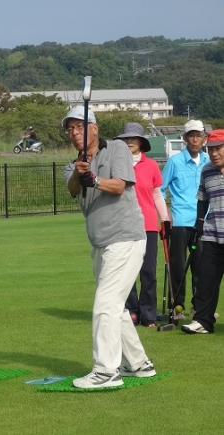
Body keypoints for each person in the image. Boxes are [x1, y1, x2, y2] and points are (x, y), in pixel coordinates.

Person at [62, 106, 156, 389]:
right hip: (100, 243)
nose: (75, 132)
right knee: (115, 307)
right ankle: (139, 364)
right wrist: (81, 174)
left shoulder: (116, 148)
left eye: (80, 126)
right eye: (70, 129)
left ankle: (106, 372)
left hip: (125, 237)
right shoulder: (72, 165)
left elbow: (120, 186)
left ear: (95, 128)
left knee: (105, 304)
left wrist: (96, 179)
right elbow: (73, 189)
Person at [114, 122, 170, 328]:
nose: (129, 141)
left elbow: (157, 194)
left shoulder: (152, 165)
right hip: (124, 224)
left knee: (148, 271)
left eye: (133, 138)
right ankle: (131, 311)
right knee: (127, 271)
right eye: (126, 138)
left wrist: (165, 219)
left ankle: (148, 313)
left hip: (148, 224)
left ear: (141, 142)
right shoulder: (117, 163)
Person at [161, 119, 209, 318]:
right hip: (180, 221)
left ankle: (199, 307)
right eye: (192, 135)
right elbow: (160, 189)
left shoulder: (210, 161)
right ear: (185, 138)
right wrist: (167, 214)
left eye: (199, 135)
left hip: (204, 222)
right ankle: (177, 306)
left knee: (201, 268)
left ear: (204, 138)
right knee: (178, 267)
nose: (195, 139)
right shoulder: (175, 161)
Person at [181, 130, 224, 334]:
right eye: (211, 149)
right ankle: (203, 321)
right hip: (213, 234)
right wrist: (199, 220)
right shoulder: (207, 170)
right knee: (206, 280)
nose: (214, 153)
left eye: (218, 149)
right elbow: (203, 199)